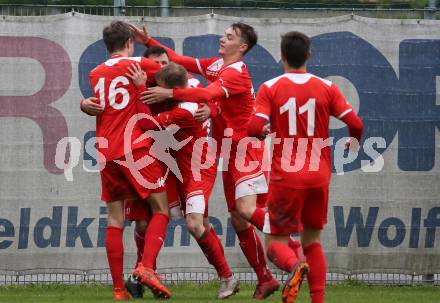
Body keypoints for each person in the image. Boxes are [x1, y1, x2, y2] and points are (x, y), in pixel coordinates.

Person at [130, 22, 280, 299]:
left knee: (208, 220)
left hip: (210, 160)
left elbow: (158, 119)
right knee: (229, 218)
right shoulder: (211, 68)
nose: (162, 66)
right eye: (157, 64)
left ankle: (282, 250)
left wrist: (197, 104)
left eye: (229, 36)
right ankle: (143, 273)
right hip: (178, 162)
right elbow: (187, 68)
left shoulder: (187, 93)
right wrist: (148, 40)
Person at [248, 31, 364, 303]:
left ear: (282, 56)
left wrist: (263, 132)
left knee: (276, 245)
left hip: (286, 176)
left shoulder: (271, 87)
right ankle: (318, 300)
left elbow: (254, 127)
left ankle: (294, 266)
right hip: (318, 176)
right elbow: (356, 125)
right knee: (312, 241)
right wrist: (354, 143)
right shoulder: (327, 87)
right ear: (309, 55)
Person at [128, 62, 239, 299]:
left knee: (195, 224)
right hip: (174, 165)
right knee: (154, 217)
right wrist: (214, 110)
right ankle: (145, 273)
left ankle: (228, 277)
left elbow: (149, 125)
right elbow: (215, 100)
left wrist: (139, 89)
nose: (155, 89)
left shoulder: (185, 110)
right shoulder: (192, 82)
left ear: (170, 88)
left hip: (197, 170)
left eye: (160, 87)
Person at [88, 21, 171, 300]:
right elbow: (172, 76)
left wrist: (82, 104)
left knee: (114, 219)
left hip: (106, 152)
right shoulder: (138, 65)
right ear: (129, 43)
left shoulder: (95, 73)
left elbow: (98, 104)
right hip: (134, 149)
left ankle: (119, 290)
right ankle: (146, 267)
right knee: (161, 209)